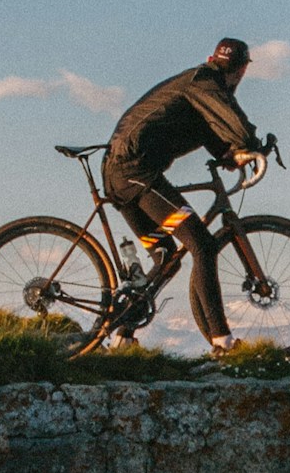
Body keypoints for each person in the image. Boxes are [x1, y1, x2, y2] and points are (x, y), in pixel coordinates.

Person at [102, 38, 266, 350]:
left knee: (165, 257)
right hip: (135, 173)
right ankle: (223, 340)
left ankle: (123, 335)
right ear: (242, 70)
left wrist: (230, 155)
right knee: (202, 244)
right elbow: (232, 120)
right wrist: (251, 145)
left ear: (212, 57)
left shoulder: (197, 87)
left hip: (121, 173)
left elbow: (210, 131)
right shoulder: (206, 81)